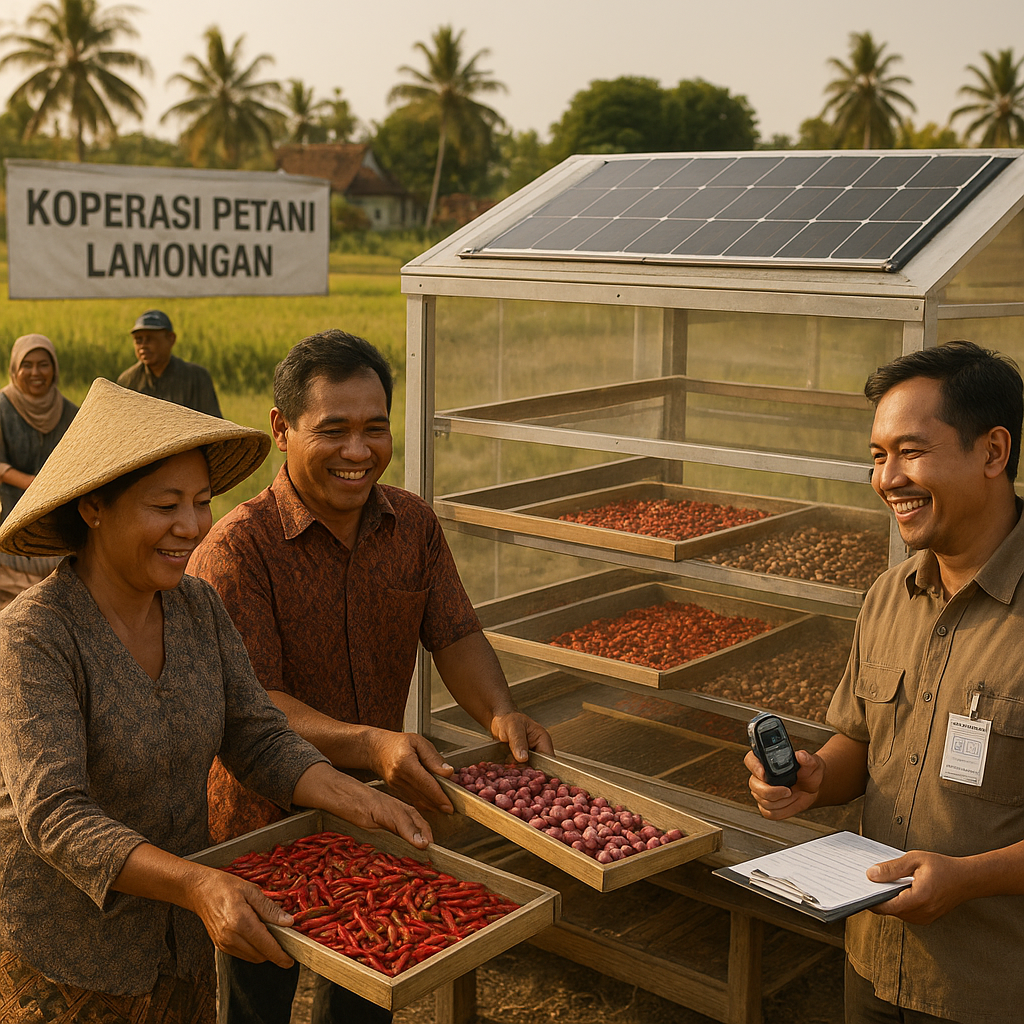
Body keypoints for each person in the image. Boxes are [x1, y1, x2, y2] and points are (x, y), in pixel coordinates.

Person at [0, 378, 430, 1023]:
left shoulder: (196, 606)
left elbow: (255, 733)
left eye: (201, 502)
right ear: (94, 507)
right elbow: (56, 815)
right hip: (72, 954)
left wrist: (356, 797)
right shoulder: (37, 635)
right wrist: (197, 883)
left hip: (184, 945)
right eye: (165, 505)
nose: (193, 526)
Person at [188, 329, 553, 1024]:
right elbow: (253, 704)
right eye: (334, 430)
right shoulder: (239, 548)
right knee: (257, 1001)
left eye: (374, 428)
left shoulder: (410, 524)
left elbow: (454, 633)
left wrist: (500, 712)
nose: (359, 452)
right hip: (266, 827)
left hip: (375, 818)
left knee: (364, 998)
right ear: (281, 430)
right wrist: (372, 745)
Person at [745, 340, 1024, 1024]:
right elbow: (860, 742)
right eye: (877, 456)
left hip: (990, 989)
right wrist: (813, 777)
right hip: (873, 964)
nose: (887, 479)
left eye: (910, 451)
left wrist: (967, 881)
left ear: (993, 453)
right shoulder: (888, 594)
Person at [0, 334, 78, 609]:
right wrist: (36, 484)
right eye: (27, 365)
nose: (35, 372)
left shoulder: (71, 412)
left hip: (59, 527)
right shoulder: (2, 407)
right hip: (10, 525)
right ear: (14, 369)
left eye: (43, 364)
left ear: (54, 368)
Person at [118, 309, 222, 417]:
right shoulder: (128, 381)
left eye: (150, 339)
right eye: (138, 340)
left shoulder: (196, 377)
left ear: (171, 339)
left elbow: (215, 424)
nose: (143, 345)